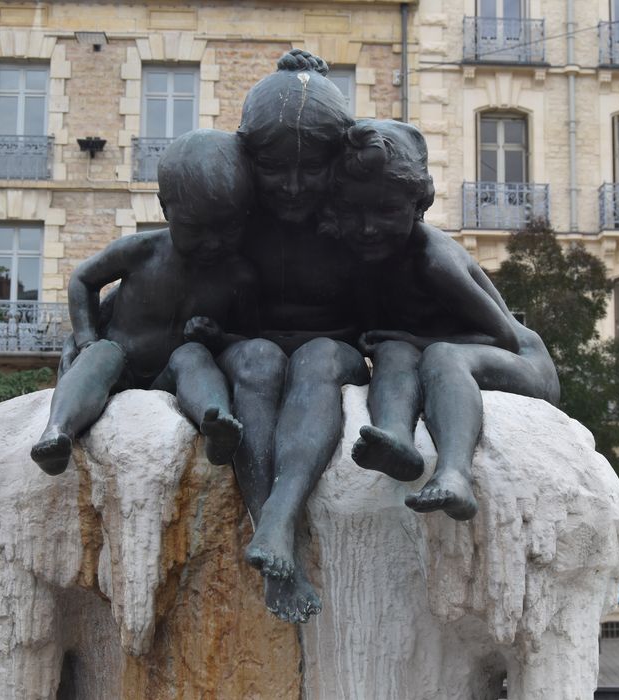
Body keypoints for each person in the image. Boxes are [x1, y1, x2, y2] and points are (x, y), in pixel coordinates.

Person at [320, 119, 560, 520]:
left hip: (522, 364)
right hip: (438, 354)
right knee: (393, 351)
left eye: (387, 211)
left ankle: (454, 475)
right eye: (354, 212)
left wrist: (416, 342)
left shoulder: (433, 260)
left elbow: (504, 338)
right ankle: (396, 441)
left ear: (418, 207)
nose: (368, 227)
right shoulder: (363, 259)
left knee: (440, 357)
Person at [208, 50, 369, 623]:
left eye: (312, 168)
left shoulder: (360, 215)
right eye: (276, 169)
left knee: (318, 359)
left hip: (333, 348)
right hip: (252, 347)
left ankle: (278, 518)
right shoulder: (231, 213)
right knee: (256, 360)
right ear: (251, 157)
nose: (294, 186)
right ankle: (272, 533)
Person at [30, 129, 257, 475]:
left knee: (193, 355)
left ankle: (217, 421)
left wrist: (219, 337)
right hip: (121, 368)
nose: (211, 241)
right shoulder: (141, 251)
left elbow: (252, 335)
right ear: (166, 209)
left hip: (172, 375)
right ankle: (58, 431)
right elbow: (82, 280)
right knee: (104, 353)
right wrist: (86, 339)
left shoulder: (237, 277)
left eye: (225, 229)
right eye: (196, 228)